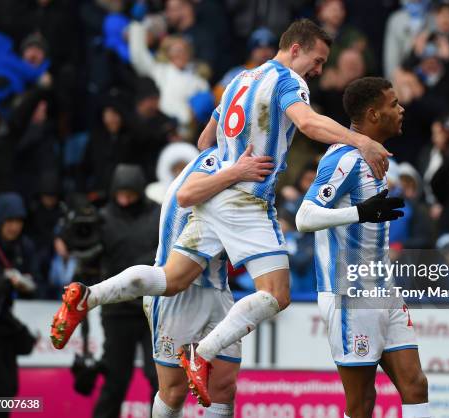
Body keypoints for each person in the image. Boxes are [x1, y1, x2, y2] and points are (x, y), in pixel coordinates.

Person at [50, 19, 391, 406]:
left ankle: (87, 295)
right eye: (318, 60)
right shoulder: (288, 81)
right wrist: (360, 140)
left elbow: (203, 139)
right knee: (277, 294)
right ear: (295, 49)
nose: (318, 70)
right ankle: (203, 353)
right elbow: (308, 122)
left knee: (172, 277)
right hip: (246, 201)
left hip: (215, 198)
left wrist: (230, 158)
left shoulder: (239, 80)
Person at [295, 77, 429, 418]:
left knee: (415, 386)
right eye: (393, 104)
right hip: (349, 294)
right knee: (361, 403)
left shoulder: (377, 157)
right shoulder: (344, 159)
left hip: (383, 288)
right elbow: (304, 217)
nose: (401, 110)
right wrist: (360, 213)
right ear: (373, 114)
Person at [144, 145, 270, 417]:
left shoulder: (255, 164)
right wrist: (237, 170)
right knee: (174, 391)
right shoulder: (215, 161)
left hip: (218, 288)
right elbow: (186, 195)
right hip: (178, 289)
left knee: (223, 388)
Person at [92, 165, 160, 418]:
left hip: (151, 308)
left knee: (158, 379)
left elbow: (165, 253)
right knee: (115, 380)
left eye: (130, 193)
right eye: (120, 193)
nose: (125, 199)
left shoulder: (157, 214)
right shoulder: (103, 217)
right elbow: (90, 254)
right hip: (116, 310)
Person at [0, 193, 39, 418]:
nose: (14, 227)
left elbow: (36, 280)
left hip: (3, 320)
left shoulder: (24, 246)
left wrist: (26, 285)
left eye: (19, 222)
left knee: (9, 390)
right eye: (9, 221)